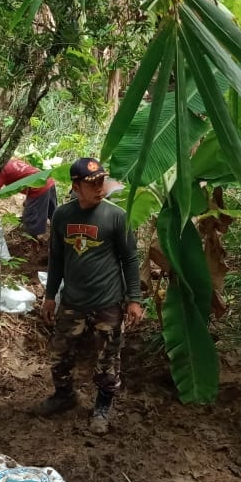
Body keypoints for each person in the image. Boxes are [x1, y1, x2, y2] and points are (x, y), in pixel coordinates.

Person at [40, 157, 143, 434]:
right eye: (93, 183)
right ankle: (64, 395)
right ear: (76, 186)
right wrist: (50, 296)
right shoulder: (62, 215)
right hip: (73, 301)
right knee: (60, 353)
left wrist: (134, 299)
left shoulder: (116, 216)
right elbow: (57, 259)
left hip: (107, 302)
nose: (100, 187)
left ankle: (102, 406)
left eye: (102, 182)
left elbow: (130, 260)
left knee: (107, 359)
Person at [0, 157, 57, 238]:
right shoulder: (12, 161)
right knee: (54, 214)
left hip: (38, 188)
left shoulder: (1, 170)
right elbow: (28, 172)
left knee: (30, 222)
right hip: (48, 180)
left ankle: (32, 242)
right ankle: (60, 234)